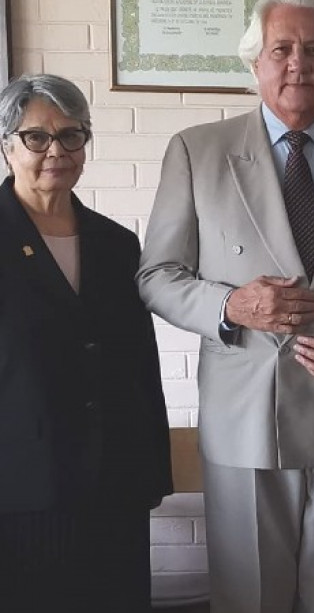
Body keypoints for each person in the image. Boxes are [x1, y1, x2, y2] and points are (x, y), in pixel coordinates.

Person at [136, 0, 314, 609]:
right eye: (282, 50)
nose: (298, 64)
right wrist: (232, 304)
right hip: (245, 428)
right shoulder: (196, 150)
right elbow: (157, 275)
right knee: (248, 600)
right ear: (255, 62)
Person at [0, 74, 172, 611]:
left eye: (72, 136)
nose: (56, 150)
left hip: (114, 486)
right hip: (22, 492)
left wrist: (151, 471)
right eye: (37, 137)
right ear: (7, 144)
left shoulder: (117, 243)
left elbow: (142, 366)